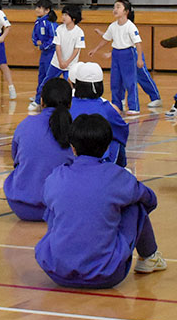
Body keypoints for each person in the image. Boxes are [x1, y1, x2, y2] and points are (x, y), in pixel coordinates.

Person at [34, 114, 166, 289]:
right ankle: (149, 257)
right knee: (136, 205)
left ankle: (66, 254)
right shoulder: (117, 176)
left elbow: (47, 199)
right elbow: (150, 199)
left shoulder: (57, 175)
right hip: (106, 275)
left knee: (58, 207)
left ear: (72, 148)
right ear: (107, 148)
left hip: (57, 273)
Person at [4, 77, 75, 221]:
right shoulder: (74, 129)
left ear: (42, 101)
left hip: (20, 206)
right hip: (60, 208)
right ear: (70, 103)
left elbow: (15, 158)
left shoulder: (25, 124)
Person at [87, 0, 145, 115]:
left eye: (118, 7)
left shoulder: (130, 26)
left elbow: (138, 43)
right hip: (116, 54)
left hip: (128, 54)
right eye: (114, 7)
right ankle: (117, 105)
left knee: (130, 81)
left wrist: (139, 59)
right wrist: (95, 49)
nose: (115, 9)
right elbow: (106, 39)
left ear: (126, 11)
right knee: (115, 81)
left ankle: (134, 107)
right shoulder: (113, 26)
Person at [69, 62, 129, 166]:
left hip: (70, 158)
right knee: (116, 141)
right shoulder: (106, 107)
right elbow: (122, 131)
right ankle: (120, 170)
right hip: (99, 160)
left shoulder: (67, 105)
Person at [32, 4, 84, 112]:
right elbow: (58, 46)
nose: (63, 17)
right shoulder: (60, 29)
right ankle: (37, 101)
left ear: (73, 18)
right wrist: (60, 61)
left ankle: (71, 105)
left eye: (66, 15)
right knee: (46, 81)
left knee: (70, 86)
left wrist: (67, 62)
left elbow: (77, 50)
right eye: (63, 14)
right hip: (56, 63)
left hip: (71, 65)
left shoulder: (79, 32)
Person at [29, 0, 58, 111]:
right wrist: (36, 43)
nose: (37, 9)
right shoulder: (38, 21)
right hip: (44, 54)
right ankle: (39, 96)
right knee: (41, 75)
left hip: (52, 53)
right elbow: (34, 35)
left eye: (40, 7)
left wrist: (42, 45)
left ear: (47, 10)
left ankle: (40, 100)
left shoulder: (50, 23)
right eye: (37, 7)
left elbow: (54, 39)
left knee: (48, 77)